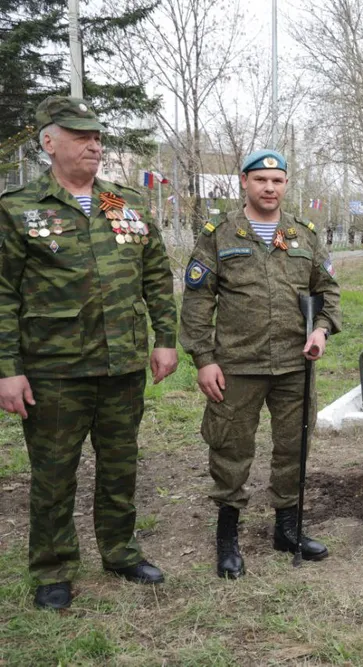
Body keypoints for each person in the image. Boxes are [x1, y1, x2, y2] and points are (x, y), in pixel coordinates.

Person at [0, 96, 178, 610]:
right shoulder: (18, 209)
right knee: (54, 472)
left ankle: (120, 552)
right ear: (49, 143)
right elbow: (3, 294)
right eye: (80, 137)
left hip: (122, 363)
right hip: (53, 369)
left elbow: (155, 279)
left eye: (97, 136)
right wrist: (7, 371)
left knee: (121, 464)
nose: (94, 145)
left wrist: (165, 340)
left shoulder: (123, 205)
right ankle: (52, 567)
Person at [180, 149, 341, 579]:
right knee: (231, 450)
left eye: (278, 181)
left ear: (286, 184)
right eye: (261, 180)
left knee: (294, 446)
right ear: (244, 183)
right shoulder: (220, 234)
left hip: (294, 363)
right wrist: (203, 359)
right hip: (237, 365)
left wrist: (321, 330)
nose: (270, 188)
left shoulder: (304, 234)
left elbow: (328, 291)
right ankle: (227, 537)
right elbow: (198, 300)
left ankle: (286, 529)